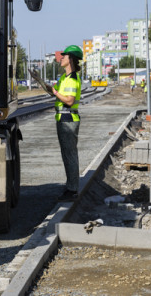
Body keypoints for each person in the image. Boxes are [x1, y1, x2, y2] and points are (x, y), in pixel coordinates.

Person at [52, 45, 83, 201]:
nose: (61, 58)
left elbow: (69, 101)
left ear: (70, 59)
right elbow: (58, 95)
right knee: (67, 155)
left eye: (64, 56)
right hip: (63, 118)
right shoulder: (64, 78)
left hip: (69, 119)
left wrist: (56, 93)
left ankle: (72, 190)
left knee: (70, 155)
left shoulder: (72, 79)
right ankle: (70, 186)